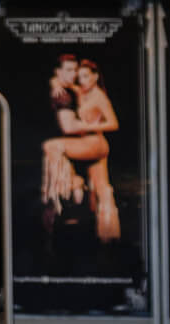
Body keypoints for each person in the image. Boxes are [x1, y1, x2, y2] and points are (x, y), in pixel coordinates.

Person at [42, 58, 121, 242]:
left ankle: (73, 184)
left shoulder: (98, 96)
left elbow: (114, 123)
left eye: (86, 76)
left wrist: (86, 125)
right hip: (90, 143)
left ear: (95, 77)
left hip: (95, 142)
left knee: (53, 146)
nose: (81, 80)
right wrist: (54, 83)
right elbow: (62, 81)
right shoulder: (82, 91)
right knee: (103, 190)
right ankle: (108, 237)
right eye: (79, 76)